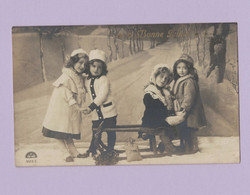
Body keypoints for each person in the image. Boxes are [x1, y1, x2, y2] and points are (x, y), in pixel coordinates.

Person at [42, 48, 89, 162]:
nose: (82, 66)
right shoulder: (66, 77)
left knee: (68, 131)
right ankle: (65, 153)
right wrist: (77, 107)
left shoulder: (78, 77)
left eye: (85, 64)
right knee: (59, 131)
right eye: (80, 63)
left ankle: (73, 151)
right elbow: (67, 94)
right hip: (60, 109)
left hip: (69, 110)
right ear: (73, 62)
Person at [82, 49, 117, 158]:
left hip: (108, 112)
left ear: (103, 69)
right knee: (95, 132)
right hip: (97, 113)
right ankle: (92, 149)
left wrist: (90, 107)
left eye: (100, 67)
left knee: (110, 132)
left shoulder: (104, 79)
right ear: (89, 66)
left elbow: (102, 96)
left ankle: (111, 149)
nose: (96, 69)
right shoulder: (87, 80)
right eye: (94, 66)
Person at [172, 54, 207, 154]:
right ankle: (184, 146)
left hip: (190, 111)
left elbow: (189, 97)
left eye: (184, 68)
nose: (181, 70)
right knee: (183, 129)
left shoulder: (189, 81)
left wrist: (184, 108)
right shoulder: (179, 80)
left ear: (189, 69)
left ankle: (191, 147)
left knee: (190, 129)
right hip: (182, 110)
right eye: (179, 68)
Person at [139, 64, 176, 155]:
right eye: (161, 77)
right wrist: (165, 112)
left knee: (174, 129)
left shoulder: (165, 92)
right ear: (155, 77)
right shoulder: (151, 92)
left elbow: (169, 104)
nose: (163, 80)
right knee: (164, 130)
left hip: (162, 118)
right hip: (152, 119)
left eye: (166, 79)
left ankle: (162, 145)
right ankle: (170, 147)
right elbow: (151, 109)